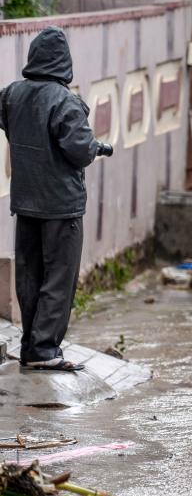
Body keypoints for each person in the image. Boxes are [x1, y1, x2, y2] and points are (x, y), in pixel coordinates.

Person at [0, 26, 113, 372]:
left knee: (29, 275)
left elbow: (10, 125)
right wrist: (98, 147)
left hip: (25, 201)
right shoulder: (65, 100)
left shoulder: (11, 94)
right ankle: (46, 349)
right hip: (61, 204)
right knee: (59, 277)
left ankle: (30, 347)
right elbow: (79, 150)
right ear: (65, 63)